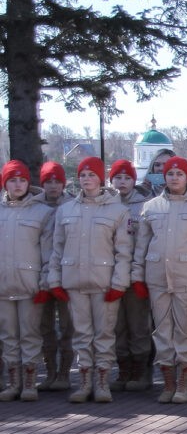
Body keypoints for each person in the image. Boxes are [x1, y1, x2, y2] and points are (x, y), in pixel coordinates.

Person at [48, 157, 133, 403]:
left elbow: (124, 251)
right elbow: (57, 248)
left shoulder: (118, 211)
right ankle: (84, 382)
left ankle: (103, 382)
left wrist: (119, 283)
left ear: (100, 179)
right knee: (81, 334)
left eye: (91, 175)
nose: (86, 179)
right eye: (83, 175)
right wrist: (55, 279)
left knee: (104, 334)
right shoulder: (66, 210)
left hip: (104, 283)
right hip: (74, 281)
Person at [132, 156, 187, 403]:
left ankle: (184, 382)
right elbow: (141, 245)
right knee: (162, 332)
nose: (175, 177)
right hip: (157, 277)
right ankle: (168, 382)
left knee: (186, 332)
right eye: (170, 173)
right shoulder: (151, 207)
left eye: (179, 174)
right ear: (164, 177)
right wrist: (138, 276)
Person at [0, 160, 55, 402]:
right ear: (5, 184)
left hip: (30, 285)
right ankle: (14, 382)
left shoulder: (43, 213)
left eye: (22, 180)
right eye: (13, 180)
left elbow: (49, 251)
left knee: (30, 334)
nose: (18, 184)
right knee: (8, 335)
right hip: (3, 285)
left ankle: (30, 382)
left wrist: (45, 282)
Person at [108, 160, 154, 392]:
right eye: (118, 178)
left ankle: (141, 369)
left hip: (136, 275)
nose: (122, 182)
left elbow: (145, 243)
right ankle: (123, 368)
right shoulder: (106, 205)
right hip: (112, 275)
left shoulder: (144, 206)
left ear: (134, 181)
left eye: (127, 178)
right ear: (111, 180)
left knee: (138, 325)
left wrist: (140, 275)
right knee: (117, 326)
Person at [34, 161, 73, 391]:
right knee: (44, 326)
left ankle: (64, 373)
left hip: (65, 274)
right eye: (48, 181)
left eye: (57, 181)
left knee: (68, 327)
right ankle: (49, 371)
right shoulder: (32, 206)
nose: (53, 186)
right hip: (37, 274)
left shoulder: (72, 205)